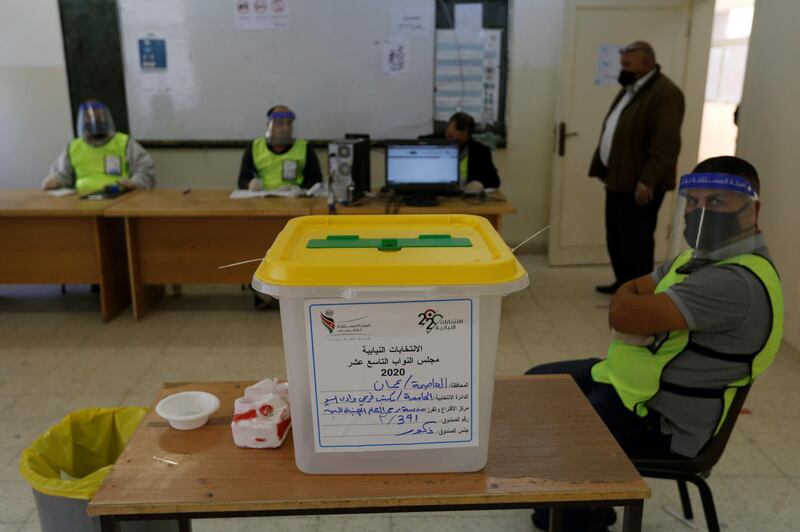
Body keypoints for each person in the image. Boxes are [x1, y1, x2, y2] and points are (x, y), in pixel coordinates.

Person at [527, 156, 783, 531]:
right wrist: (630, 302)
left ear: (752, 210)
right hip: (636, 387)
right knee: (536, 386)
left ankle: (581, 517)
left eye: (716, 202)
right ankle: (584, 503)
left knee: (572, 431)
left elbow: (623, 313)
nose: (699, 212)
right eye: (693, 202)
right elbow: (630, 293)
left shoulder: (734, 281)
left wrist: (630, 305)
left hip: (667, 421)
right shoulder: (696, 258)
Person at [589, 41, 685, 294]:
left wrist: (648, 181)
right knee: (617, 237)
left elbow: (665, 144)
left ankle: (640, 291)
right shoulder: (632, 88)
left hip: (640, 185)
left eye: (628, 65)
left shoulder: (666, 94)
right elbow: (617, 129)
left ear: (648, 63)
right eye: (622, 64)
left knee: (636, 240)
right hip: (618, 179)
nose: (623, 69)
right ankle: (623, 283)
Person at [42, 100, 156, 194]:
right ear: (82, 121)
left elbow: (145, 169)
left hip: (120, 198)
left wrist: (134, 183)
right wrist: (56, 181)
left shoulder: (124, 143)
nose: (95, 120)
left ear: (106, 118)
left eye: (99, 116)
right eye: (89, 117)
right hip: (81, 202)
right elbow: (63, 176)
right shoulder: (73, 147)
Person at [237, 105, 322, 191]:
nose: (286, 128)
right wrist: (249, 184)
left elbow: (316, 181)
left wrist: (299, 188)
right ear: (269, 126)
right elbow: (243, 179)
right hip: (262, 198)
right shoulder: (255, 147)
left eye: (289, 123)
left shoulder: (305, 147)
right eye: (280, 123)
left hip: (295, 199)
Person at [445, 112, 500, 192]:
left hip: (466, 198)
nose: (451, 142)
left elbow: (494, 182)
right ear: (447, 128)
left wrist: (477, 184)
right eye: (449, 136)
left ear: (468, 137)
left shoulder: (481, 152)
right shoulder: (429, 142)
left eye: (458, 141)